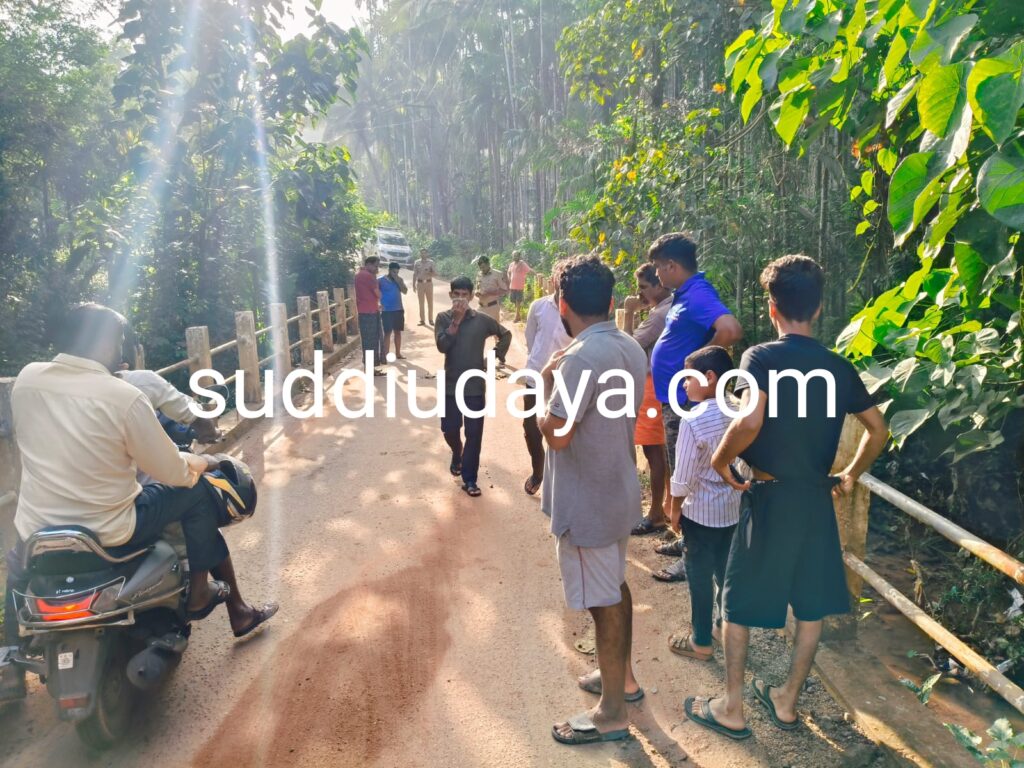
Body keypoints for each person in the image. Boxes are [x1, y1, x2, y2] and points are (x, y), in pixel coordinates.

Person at [1, 304, 277, 702]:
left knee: (17, 564)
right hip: (113, 529)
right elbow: (173, 472)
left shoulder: (27, 380)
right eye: (117, 341)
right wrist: (207, 461)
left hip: (38, 531)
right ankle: (200, 592)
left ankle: (9, 664)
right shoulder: (124, 396)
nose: (120, 351)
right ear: (104, 343)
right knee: (196, 490)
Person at [684, 255, 887, 741]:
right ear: (817, 309)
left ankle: (732, 708)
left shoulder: (760, 358)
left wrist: (721, 461)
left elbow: (750, 420)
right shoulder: (838, 367)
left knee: (737, 603)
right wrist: (851, 474)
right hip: (815, 497)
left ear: (772, 308)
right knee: (810, 606)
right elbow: (878, 429)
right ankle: (787, 701)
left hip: (769, 496)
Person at [539, 255, 648, 746]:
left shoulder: (580, 358)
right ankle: (622, 680)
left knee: (602, 602)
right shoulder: (628, 345)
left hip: (587, 501)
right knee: (615, 587)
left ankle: (611, 713)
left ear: (562, 303)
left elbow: (558, 434)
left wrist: (544, 389)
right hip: (616, 490)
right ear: (610, 300)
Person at [659, 346, 743, 658]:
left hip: (700, 511)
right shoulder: (740, 408)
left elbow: (683, 474)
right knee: (724, 571)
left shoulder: (693, 419)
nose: (683, 384)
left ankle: (701, 641)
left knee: (698, 575)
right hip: (733, 508)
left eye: (688, 377)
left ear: (709, 377)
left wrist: (674, 509)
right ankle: (722, 627)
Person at [648, 233, 743, 478]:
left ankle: (683, 505)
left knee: (686, 472)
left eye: (658, 266)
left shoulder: (698, 293)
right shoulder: (684, 293)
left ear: (671, 265)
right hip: (677, 398)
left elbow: (730, 330)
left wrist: (696, 368)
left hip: (686, 400)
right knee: (679, 466)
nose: (656, 273)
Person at [435, 276, 512, 497]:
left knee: (474, 434)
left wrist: (493, 357)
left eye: (464, 295)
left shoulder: (482, 320)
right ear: (450, 295)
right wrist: (456, 322)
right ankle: (456, 451)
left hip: (475, 388)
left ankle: (470, 479)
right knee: (449, 429)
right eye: (456, 294)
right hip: (451, 387)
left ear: (470, 296)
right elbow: (442, 346)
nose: (460, 299)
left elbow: (505, 334)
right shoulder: (443, 318)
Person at [622, 263, 673, 538]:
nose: (639, 293)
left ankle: (655, 514)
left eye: (643, 287)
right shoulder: (669, 308)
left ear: (659, 285)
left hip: (653, 385)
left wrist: (629, 313)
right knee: (663, 451)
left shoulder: (659, 315)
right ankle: (665, 507)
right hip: (664, 384)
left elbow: (628, 345)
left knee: (654, 451)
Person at [521, 271, 570, 496]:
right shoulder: (538, 306)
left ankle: (558, 480)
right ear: (553, 281)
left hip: (565, 380)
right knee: (531, 429)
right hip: (536, 376)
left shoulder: (577, 310)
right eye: (560, 279)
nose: (563, 284)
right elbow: (530, 339)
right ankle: (538, 472)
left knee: (561, 431)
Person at [354, 255, 385, 376]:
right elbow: (378, 294)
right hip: (370, 312)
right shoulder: (369, 276)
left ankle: (369, 367)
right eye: (376, 266)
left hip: (364, 311)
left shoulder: (359, 275)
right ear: (369, 265)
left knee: (367, 341)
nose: (377, 269)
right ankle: (370, 368)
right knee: (372, 341)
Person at [379, 261, 409, 360]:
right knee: (387, 332)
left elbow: (405, 291)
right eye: (393, 272)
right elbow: (375, 292)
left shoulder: (399, 280)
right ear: (389, 270)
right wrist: (379, 304)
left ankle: (398, 353)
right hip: (386, 310)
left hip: (398, 309)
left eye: (397, 272)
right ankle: (385, 354)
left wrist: (398, 281)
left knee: (398, 332)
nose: (395, 274)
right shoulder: (380, 280)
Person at [474, 255, 508, 322]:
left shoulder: (497, 274)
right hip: (481, 307)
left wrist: (490, 293)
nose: (482, 269)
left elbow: (504, 290)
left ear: (488, 264)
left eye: (483, 267)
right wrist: (476, 293)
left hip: (492, 308)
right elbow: (477, 288)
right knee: (479, 327)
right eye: (480, 268)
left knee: (493, 328)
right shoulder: (479, 274)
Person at [507, 250, 534, 323]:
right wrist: (509, 278)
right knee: (513, 300)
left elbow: (529, 270)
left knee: (518, 301)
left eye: (517, 255)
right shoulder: (511, 264)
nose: (515, 257)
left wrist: (536, 273)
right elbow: (508, 272)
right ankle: (518, 315)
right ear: (512, 256)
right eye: (514, 255)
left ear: (519, 256)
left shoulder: (522, 264)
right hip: (512, 286)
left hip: (519, 286)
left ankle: (517, 316)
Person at [412, 248, 437, 326]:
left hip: (429, 283)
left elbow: (435, 274)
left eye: (425, 253)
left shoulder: (431, 262)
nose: (423, 254)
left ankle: (431, 319)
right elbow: (415, 274)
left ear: (427, 254)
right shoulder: (417, 262)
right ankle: (422, 320)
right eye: (422, 253)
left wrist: (429, 272)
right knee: (421, 303)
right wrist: (413, 285)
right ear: (420, 254)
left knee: (430, 302)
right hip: (420, 284)